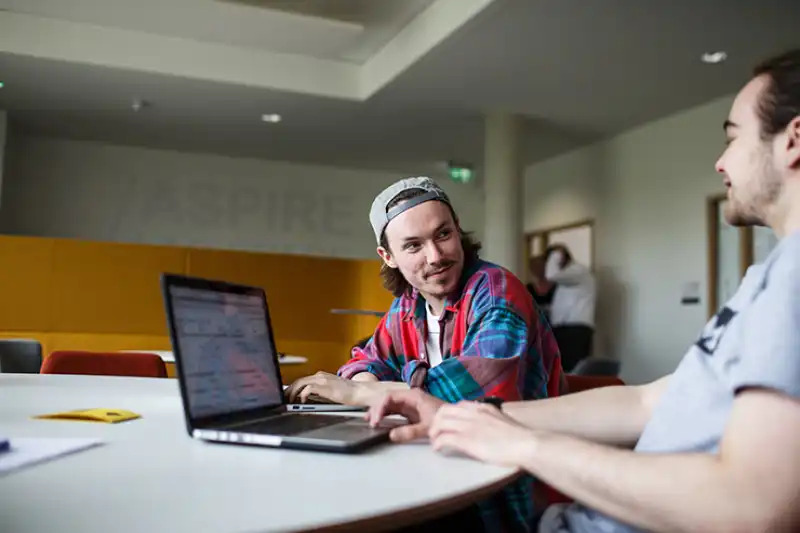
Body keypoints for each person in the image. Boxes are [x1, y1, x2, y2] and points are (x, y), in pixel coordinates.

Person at [367, 49, 800, 533]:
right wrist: (484, 418)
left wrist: (521, 445)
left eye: (733, 138)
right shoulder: (771, 276)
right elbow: (645, 402)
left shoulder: (793, 279)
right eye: (413, 245)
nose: (721, 161)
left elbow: (752, 506)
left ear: (794, 140)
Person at [286, 176, 564, 531]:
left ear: (458, 229)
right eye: (414, 246)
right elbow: (370, 357)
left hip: (506, 489)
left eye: (443, 235)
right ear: (388, 257)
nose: (436, 256)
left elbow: (478, 396)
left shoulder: (496, 292)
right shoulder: (409, 305)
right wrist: (365, 379)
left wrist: (361, 393)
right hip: (444, 467)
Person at [543, 243, 596, 372]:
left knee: (573, 372)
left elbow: (551, 275)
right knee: (563, 371)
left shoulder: (578, 271)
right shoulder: (569, 277)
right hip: (565, 330)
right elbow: (565, 303)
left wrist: (556, 254)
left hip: (575, 330)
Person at [526, 254, 556, 320]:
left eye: (541, 265)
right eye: (535, 267)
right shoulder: (528, 289)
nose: (538, 269)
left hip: (557, 326)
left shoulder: (557, 287)